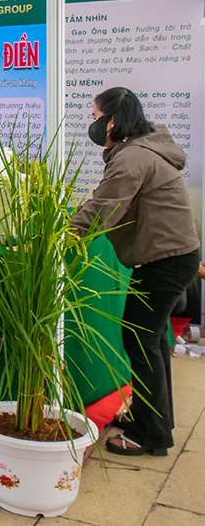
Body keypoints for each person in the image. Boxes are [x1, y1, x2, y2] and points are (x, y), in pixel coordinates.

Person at [71, 87, 200, 458]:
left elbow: (103, 207)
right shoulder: (143, 149)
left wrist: (60, 235)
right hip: (172, 257)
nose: (93, 125)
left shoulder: (133, 157)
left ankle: (151, 434)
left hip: (165, 260)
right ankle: (154, 421)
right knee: (152, 341)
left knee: (141, 342)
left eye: (95, 117)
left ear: (112, 122)